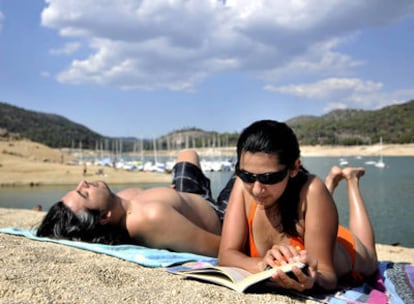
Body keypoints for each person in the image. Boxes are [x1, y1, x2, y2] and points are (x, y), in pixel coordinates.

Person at [217, 120, 378, 291]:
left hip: (350, 253)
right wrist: (262, 265)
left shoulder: (312, 190)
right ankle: (334, 181)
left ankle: (352, 181)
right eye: (247, 175)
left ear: (294, 168)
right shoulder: (242, 185)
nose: (256, 189)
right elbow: (225, 255)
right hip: (318, 230)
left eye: (269, 178)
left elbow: (328, 276)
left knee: (370, 255)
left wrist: (313, 279)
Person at [36, 149, 227, 257]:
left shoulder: (119, 201)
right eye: (84, 193)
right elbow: (219, 247)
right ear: (104, 217)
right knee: (251, 164)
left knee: (188, 153)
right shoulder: (150, 219)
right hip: (219, 215)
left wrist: (177, 201)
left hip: (189, 196)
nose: (83, 183)